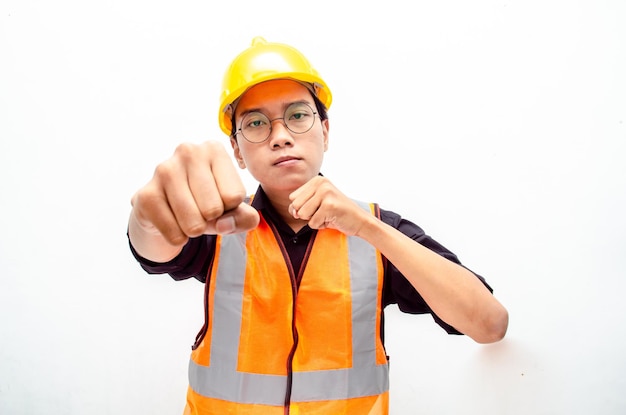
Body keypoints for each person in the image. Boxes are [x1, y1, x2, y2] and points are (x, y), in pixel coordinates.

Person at [127, 36, 509, 415]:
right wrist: (148, 218)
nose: (279, 137)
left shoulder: (377, 229)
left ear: (325, 131)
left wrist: (367, 228)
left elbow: (489, 324)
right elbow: (155, 248)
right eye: (256, 123)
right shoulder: (219, 226)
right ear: (237, 151)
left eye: (297, 115)